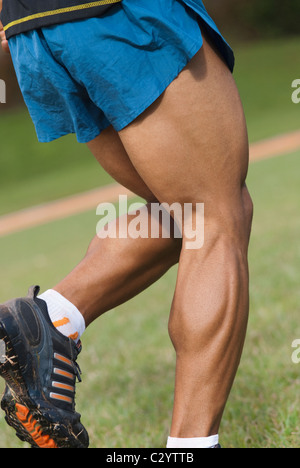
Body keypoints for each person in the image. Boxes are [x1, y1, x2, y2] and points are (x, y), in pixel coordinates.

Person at [0, 0, 253, 449]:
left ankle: (52, 319)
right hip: (116, 14)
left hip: (34, 31)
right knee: (213, 217)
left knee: (196, 206)